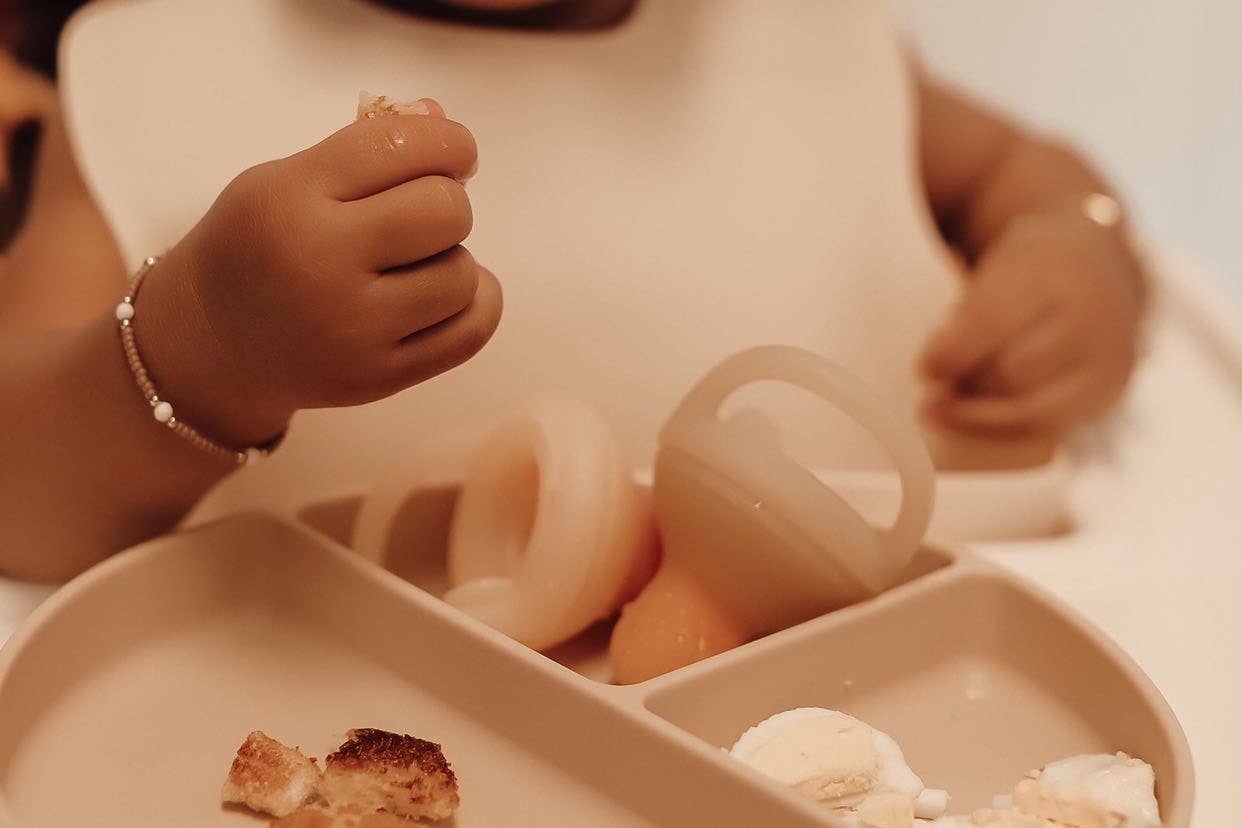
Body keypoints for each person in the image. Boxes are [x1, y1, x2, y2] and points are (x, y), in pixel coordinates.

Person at [0, 0, 1143, 579]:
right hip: (328, 717)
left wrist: (1077, 246)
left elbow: (1025, 171)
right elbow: (17, 485)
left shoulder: (800, 38)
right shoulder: (154, 60)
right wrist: (205, 344)